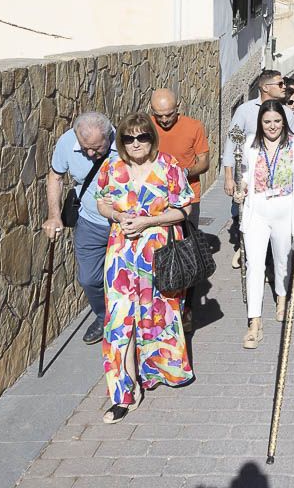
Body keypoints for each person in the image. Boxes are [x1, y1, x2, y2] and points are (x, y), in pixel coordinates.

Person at [94, 114, 194, 423]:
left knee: (158, 314)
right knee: (119, 322)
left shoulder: (168, 166)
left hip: (159, 254)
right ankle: (125, 392)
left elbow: (184, 209)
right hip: (121, 255)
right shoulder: (111, 168)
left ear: (152, 137)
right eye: (128, 138)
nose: (136, 143)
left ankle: (160, 369)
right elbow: (102, 202)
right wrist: (117, 216)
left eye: (142, 137)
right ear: (121, 142)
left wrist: (149, 221)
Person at [228, 100, 294, 348]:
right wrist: (240, 190)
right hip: (258, 211)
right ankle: (254, 321)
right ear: (260, 122)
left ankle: (282, 299)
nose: (272, 126)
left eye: (277, 121)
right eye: (267, 122)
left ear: (284, 121)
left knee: (283, 258)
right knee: (254, 264)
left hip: (285, 209)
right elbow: (244, 176)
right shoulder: (250, 146)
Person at [43, 111, 117, 345]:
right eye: (86, 148)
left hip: (124, 225)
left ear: (109, 136)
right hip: (90, 222)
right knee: (88, 279)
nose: (91, 154)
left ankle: (129, 324)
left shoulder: (124, 141)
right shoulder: (66, 143)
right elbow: (55, 177)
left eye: (97, 148)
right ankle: (104, 316)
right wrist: (54, 216)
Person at [224, 71, 294, 268]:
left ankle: (270, 263)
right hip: (248, 179)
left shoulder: (287, 113)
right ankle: (248, 251)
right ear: (265, 87)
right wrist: (229, 177)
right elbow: (232, 143)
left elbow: (292, 147)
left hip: (276, 181)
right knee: (245, 217)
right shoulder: (245, 111)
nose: (284, 87)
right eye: (280, 83)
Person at [149, 89, 210, 221]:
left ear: (178, 106)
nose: (164, 120)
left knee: (188, 240)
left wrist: (184, 173)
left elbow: (204, 162)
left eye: (169, 114)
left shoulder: (194, 127)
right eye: (159, 116)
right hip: (154, 195)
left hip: (187, 195)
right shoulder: (146, 126)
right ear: (152, 109)